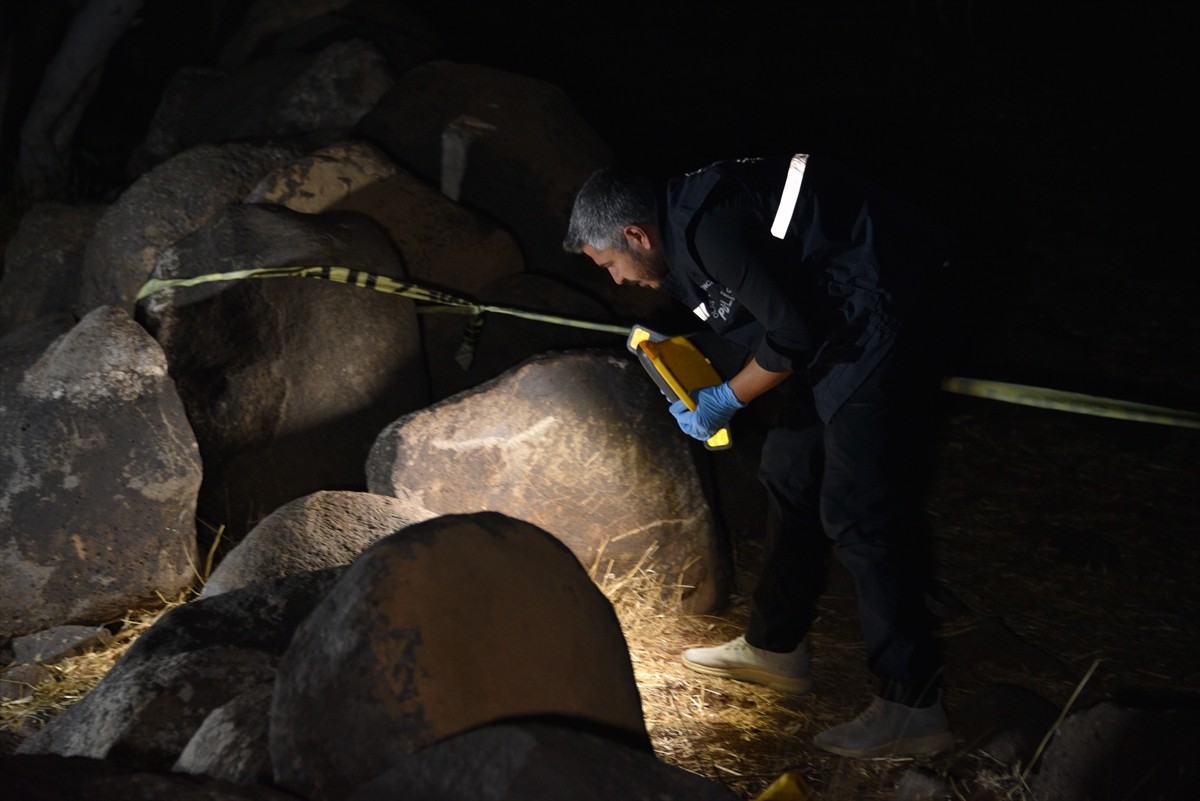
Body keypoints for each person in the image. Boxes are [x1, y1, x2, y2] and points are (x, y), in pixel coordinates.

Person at [563, 152, 959, 759]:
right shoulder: (684, 229)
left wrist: (725, 399)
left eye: (610, 264)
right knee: (788, 471)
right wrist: (694, 359)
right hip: (837, 315)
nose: (615, 280)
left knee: (857, 512)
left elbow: (793, 336)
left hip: (882, 314)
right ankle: (775, 650)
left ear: (635, 234)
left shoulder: (708, 227)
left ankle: (913, 706)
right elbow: (766, 313)